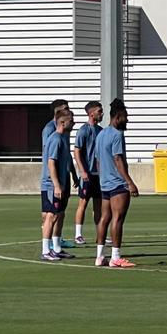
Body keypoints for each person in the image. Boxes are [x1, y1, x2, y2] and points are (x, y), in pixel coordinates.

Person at [95, 98, 139, 268]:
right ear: (118, 117)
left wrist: (102, 177)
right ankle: (115, 256)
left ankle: (99, 256)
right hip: (117, 184)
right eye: (126, 117)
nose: (127, 120)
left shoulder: (101, 134)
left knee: (104, 218)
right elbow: (118, 159)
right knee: (118, 219)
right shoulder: (117, 134)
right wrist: (129, 182)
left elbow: (98, 161)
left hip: (104, 183)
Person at [39, 108, 76, 261]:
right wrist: (56, 185)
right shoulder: (55, 139)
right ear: (62, 122)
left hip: (61, 183)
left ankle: (57, 248)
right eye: (71, 121)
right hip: (51, 185)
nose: (73, 123)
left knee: (60, 214)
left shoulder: (63, 138)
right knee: (51, 215)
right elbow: (51, 163)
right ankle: (46, 250)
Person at [73, 101, 104, 245]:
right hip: (87, 173)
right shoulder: (83, 131)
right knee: (83, 203)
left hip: (98, 174)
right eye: (99, 111)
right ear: (91, 113)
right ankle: (78, 234)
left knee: (98, 205)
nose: (101, 113)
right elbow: (77, 151)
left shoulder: (100, 130)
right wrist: (82, 170)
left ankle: (100, 233)